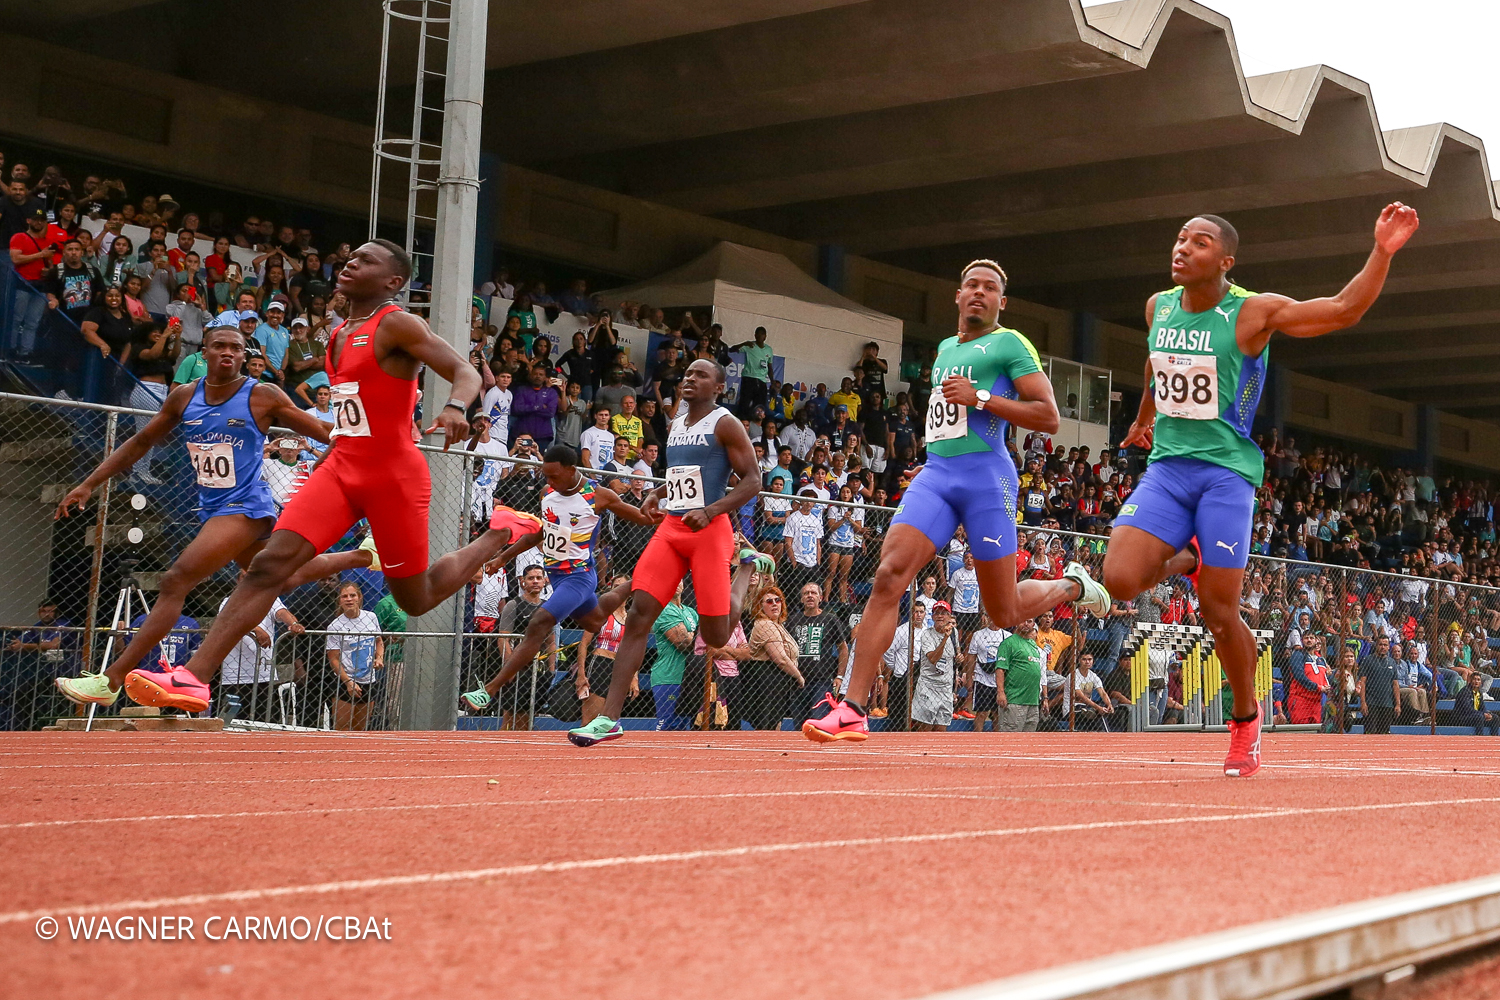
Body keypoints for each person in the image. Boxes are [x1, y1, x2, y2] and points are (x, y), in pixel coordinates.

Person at [122, 240, 521, 712]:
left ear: (394, 282)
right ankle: (194, 678)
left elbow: (463, 370)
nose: (351, 262)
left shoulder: (396, 323)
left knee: (417, 599)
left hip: (393, 475)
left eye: (366, 260)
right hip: (340, 466)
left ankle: (497, 534)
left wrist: (455, 405)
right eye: (350, 256)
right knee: (269, 565)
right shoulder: (337, 332)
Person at [1101, 204, 1420, 776]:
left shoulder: (1251, 313)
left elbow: (1343, 310)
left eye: (1198, 243)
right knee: (1120, 576)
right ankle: (1189, 556)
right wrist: (1146, 414)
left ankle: (1245, 722)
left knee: (1219, 612)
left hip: (1226, 475)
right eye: (1179, 238)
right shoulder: (1159, 307)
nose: (1182, 248)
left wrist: (1382, 251)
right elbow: (1155, 364)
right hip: (1170, 467)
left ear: (1225, 261)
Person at [804, 260, 1109, 742]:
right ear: (958, 294)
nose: (980, 293)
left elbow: (1049, 417)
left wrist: (981, 396)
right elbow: (948, 418)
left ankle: (1072, 585)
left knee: (1003, 610)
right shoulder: (946, 347)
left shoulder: (1010, 343)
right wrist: (928, 458)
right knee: (888, 575)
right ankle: (852, 708)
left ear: (1001, 302)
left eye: (990, 288)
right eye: (972, 285)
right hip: (938, 475)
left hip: (989, 479)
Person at [53, 325, 372, 710]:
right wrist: (89, 484)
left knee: (176, 579)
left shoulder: (261, 394)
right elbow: (140, 442)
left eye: (236, 348)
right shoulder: (184, 397)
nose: (227, 353)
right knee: (283, 574)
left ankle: (111, 679)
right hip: (213, 508)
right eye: (219, 346)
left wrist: (359, 433)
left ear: (244, 356)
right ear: (203, 352)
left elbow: (324, 431)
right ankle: (365, 556)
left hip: (247, 508)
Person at [568, 359, 775, 746]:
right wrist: (655, 493)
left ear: (718, 387)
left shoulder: (725, 422)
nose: (689, 380)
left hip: (710, 532)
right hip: (671, 529)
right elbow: (682, 474)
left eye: (700, 375)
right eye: (687, 375)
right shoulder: (677, 421)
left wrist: (711, 510)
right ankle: (610, 719)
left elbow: (753, 480)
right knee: (639, 614)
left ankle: (744, 571)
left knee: (715, 635)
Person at [458, 445, 653, 712]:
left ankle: (489, 689)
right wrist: (503, 557)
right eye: (546, 476)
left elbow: (641, 518)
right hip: (555, 574)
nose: (550, 481)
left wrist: (669, 519)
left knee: (540, 622)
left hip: (579, 576)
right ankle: (638, 581)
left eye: (554, 476)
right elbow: (538, 534)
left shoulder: (597, 495)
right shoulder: (547, 493)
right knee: (595, 619)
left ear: (572, 470)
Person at [325, 582, 384, 731]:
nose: (349, 599)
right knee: (342, 726)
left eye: (352, 595)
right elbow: (333, 658)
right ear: (339, 600)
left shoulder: (371, 617)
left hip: (368, 679)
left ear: (359, 598)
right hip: (345, 680)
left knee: (360, 727)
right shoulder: (335, 626)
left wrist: (379, 658)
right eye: (344, 596)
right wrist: (348, 682)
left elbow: (379, 641)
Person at [911, 601, 962, 732]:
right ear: (932, 616)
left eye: (944, 613)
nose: (940, 616)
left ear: (950, 617)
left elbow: (957, 653)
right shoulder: (927, 634)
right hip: (928, 686)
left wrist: (959, 657)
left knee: (941, 729)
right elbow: (933, 658)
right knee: (925, 728)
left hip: (945, 688)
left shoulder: (954, 633)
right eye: (937, 613)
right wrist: (945, 638)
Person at [994, 617, 1044, 732]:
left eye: (1030, 621)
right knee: (1010, 738)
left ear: (1034, 624)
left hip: (1033, 701)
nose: (1026, 624)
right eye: (1023, 620)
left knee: (1028, 741)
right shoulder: (1008, 643)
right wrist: (1000, 693)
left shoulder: (1033, 644)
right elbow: (1000, 669)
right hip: (1015, 700)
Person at [964, 612, 1008, 733]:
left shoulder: (1007, 636)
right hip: (982, 678)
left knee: (997, 714)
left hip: (999, 679)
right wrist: (969, 679)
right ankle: (978, 738)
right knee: (981, 713)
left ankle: (997, 741)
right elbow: (971, 658)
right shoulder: (978, 635)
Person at [730, 326, 773, 416]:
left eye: (762, 334)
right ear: (755, 335)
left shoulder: (769, 349)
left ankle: (755, 427)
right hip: (749, 379)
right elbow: (732, 349)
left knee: (759, 407)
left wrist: (772, 382)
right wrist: (744, 343)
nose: (760, 336)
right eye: (758, 334)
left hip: (762, 381)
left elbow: (770, 366)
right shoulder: (749, 346)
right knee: (744, 405)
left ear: (765, 336)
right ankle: (742, 424)